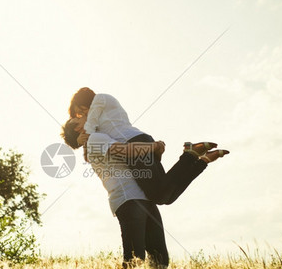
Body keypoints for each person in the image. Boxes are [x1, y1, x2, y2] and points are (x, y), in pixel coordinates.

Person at [67, 87, 229, 205]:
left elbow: (89, 140)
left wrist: (85, 140)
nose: (83, 115)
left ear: (85, 103)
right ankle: (198, 158)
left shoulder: (100, 101)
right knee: (166, 196)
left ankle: (189, 156)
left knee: (158, 194)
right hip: (141, 140)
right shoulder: (103, 115)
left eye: (81, 111)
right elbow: (90, 155)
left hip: (134, 145)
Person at [61, 116, 170, 269]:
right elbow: (127, 150)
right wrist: (155, 146)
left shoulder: (96, 138)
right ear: (78, 128)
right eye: (79, 118)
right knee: (134, 259)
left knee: (160, 258)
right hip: (130, 200)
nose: (87, 115)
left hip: (141, 198)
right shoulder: (96, 139)